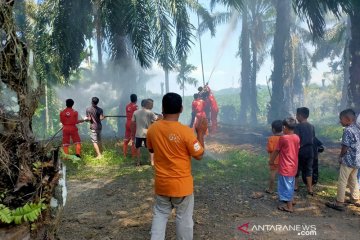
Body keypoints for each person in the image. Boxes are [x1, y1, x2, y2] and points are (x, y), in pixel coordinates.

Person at [147, 92, 204, 240]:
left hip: (162, 184)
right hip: (182, 186)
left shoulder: (153, 129)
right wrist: (201, 133)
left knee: (160, 214)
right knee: (184, 219)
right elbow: (199, 155)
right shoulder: (186, 131)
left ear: (162, 108)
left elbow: (152, 149)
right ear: (181, 108)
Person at [326, 109, 360, 211]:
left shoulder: (347, 130)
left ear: (347, 119)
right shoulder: (357, 128)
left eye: (341, 119)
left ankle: (339, 202)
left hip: (348, 160)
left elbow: (345, 146)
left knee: (342, 180)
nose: (340, 122)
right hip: (357, 160)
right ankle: (356, 199)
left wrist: (340, 156)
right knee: (353, 179)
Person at [270, 117, 300, 213]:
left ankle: (289, 206)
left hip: (285, 166)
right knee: (290, 184)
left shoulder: (284, 138)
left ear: (285, 127)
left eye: (283, 127)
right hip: (293, 165)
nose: (282, 129)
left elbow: (276, 151)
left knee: (285, 186)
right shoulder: (296, 137)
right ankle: (292, 200)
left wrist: (271, 160)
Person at [294, 107, 315, 195]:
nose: (296, 117)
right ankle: (310, 189)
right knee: (309, 169)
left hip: (300, 150)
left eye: (296, 115)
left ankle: (295, 186)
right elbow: (313, 138)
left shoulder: (297, 126)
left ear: (300, 116)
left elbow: (296, 139)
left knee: (297, 169)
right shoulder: (311, 126)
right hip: (310, 150)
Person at [132, 99, 157, 166]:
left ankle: (138, 162)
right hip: (147, 133)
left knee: (138, 148)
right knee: (150, 148)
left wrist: (132, 133)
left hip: (138, 133)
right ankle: (152, 162)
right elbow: (156, 119)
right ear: (146, 104)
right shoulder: (150, 112)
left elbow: (133, 122)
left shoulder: (135, 112)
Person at [266, 120, 283, 194]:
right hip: (283, 160)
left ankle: (271, 189)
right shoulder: (284, 138)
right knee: (282, 175)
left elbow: (270, 149)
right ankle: (282, 190)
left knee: (273, 174)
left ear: (273, 129)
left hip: (274, 159)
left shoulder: (271, 138)